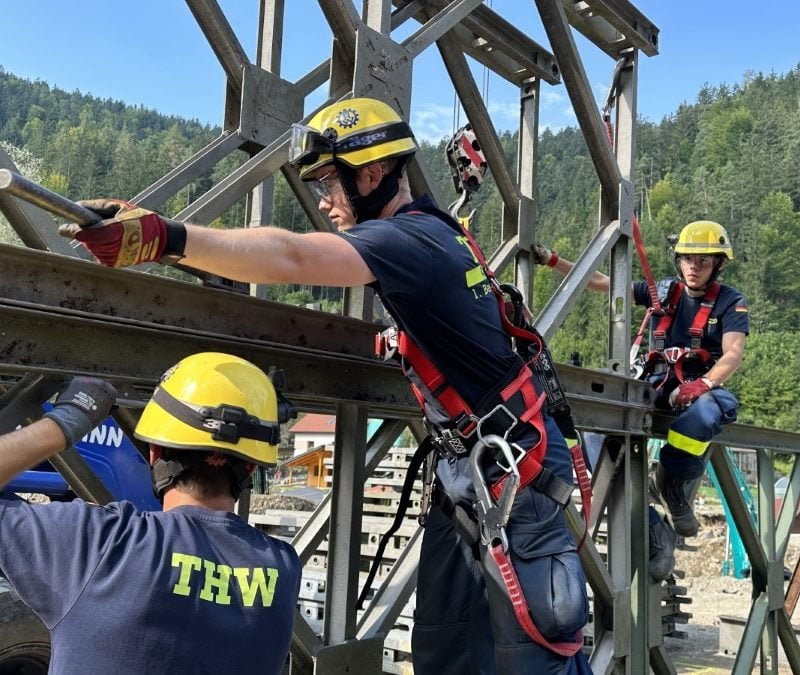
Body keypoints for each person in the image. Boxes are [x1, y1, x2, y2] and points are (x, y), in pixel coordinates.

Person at [62, 97, 591, 674]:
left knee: (535, 656)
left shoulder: (409, 242)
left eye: (328, 184)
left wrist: (168, 238)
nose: (322, 201)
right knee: (447, 653)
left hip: (511, 471)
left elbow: (289, 255)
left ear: (371, 175)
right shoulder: (433, 237)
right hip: (476, 470)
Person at [0, 352, 302, 674]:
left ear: (156, 452)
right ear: (251, 466)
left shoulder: (101, 543)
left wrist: (67, 422)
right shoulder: (283, 567)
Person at [533, 220, 748, 542]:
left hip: (697, 387)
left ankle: (670, 481)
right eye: (689, 259)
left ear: (718, 263)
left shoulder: (730, 302)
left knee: (708, 414)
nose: (694, 266)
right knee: (596, 417)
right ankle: (629, 497)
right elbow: (601, 282)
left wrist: (704, 384)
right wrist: (554, 260)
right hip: (656, 383)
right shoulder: (662, 292)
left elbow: (733, 352)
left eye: (703, 260)